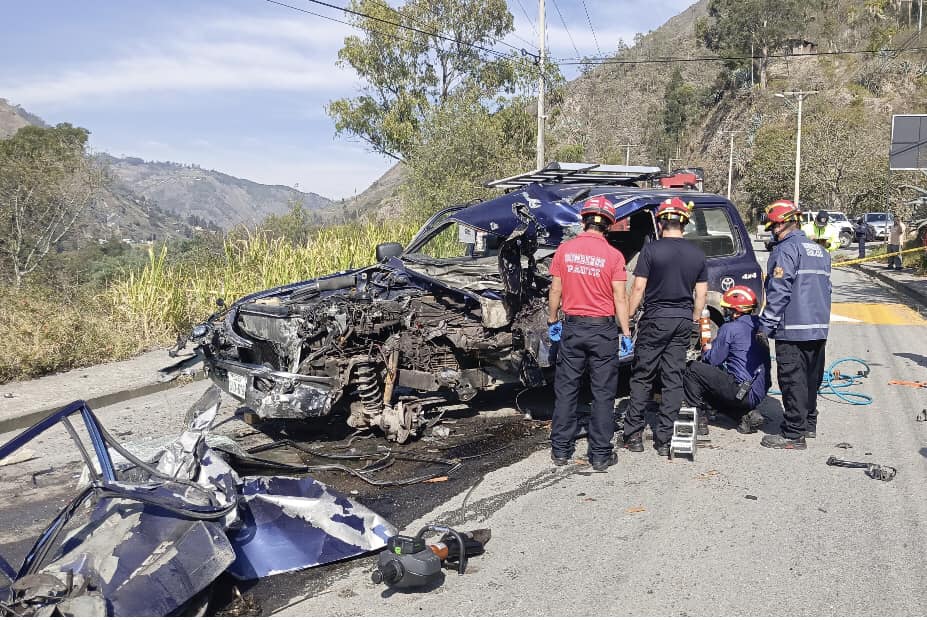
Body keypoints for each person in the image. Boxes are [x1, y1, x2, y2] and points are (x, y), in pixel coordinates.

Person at [548, 195, 633, 472]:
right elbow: (620, 298)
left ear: (583, 220)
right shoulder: (614, 256)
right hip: (602, 331)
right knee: (603, 393)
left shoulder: (565, 250)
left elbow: (556, 290)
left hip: (572, 328)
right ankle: (599, 454)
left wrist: (553, 320)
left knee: (567, 390)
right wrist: (626, 332)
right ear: (608, 224)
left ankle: (560, 450)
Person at [621, 197, 708, 457]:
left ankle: (633, 435)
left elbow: (638, 287)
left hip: (655, 320)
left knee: (643, 375)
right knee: (673, 377)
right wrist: (691, 317)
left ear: (660, 222)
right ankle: (665, 439)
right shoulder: (697, 254)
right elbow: (702, 295)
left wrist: (627, 317)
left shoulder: (651, 250)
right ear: (684, 223)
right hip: (681, 321)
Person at [758, 199, 832, 450]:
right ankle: (809, 423)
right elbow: (827, 290)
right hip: (818, 327)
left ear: (780, 225)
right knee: (812, 379)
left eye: (772, 227)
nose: (771, 232)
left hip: (792, 329)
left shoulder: (785, 251)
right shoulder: (820, 251)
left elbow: (779, 290)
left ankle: (793, 434)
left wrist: (766, 325)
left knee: (792, 380)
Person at [682, 285, 770, 436]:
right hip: (758, 391)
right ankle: (745, 415)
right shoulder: (760, 326)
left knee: (693, 369)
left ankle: (698, 418)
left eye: (728, 309)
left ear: (736, 312)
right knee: (721, 380)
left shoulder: (730, 328)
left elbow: (712, 360)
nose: (726, 312)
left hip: (741, 391)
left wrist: (706, 347)